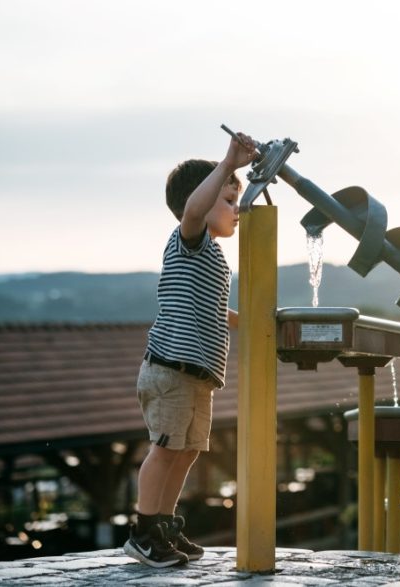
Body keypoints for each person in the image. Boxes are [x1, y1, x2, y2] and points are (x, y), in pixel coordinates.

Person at [123, 131, 257, 567]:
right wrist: (228, 163)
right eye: (230, 202)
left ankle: (163, 523)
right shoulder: (189, 237)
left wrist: (254, 323)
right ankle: (143, 532)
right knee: (165, 449)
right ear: (198, 203)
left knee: (188, 450)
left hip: (198, 375)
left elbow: (219, 311)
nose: (237, 212)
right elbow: (197, 208)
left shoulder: (214, 257)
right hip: (171, 370)